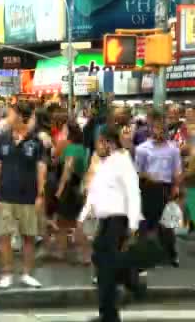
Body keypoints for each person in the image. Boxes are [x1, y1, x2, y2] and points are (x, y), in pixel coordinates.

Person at [82, 126, 144, 322]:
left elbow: (133, 193)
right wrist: (82, 218)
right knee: (101, 260)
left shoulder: (123, 162)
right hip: (106, 222)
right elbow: (94, 193)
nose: (97, 147)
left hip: (119, 221)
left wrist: (133, 225)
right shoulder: (104, 164)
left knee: (106, 268)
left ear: (108, 143)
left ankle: (110, 314)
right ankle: (129, 278)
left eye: (99, 143)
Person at [0, 102, 46, 289]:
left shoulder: (36, 141)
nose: (8, 117)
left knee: (29, 236)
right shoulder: (2, 138)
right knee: (4, 235)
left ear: (22, 116)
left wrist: (40, 195)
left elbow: (41, 168)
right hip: (5, 194)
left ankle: (27, 274)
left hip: (28, 196)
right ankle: (7, 273)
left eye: (11, 114)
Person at [135, 111, 182, 267]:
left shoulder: (173, 149)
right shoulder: (142, 149)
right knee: (145, 225)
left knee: (167, 224)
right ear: (151, 129)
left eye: (162, 129)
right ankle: (142, 256)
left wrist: (176, 187)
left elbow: (177, 170)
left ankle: (171, 254)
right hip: (148, 188)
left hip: (166, 188)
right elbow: (137, 171)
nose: (159, 132)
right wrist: (147, 176)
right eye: (156, 128)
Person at [54, 121, 87, 261]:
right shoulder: (81, 148)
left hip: (69, 189)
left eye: (64, 129)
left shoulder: (71, 148)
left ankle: (84, 254)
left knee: (65, 222)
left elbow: (67, 169)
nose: (62, 132)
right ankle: (64, 251)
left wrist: (59, 190)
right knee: (71, 222)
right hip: (78, 187)